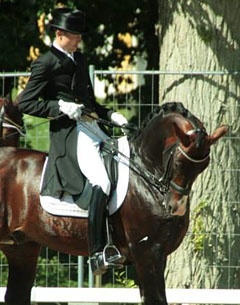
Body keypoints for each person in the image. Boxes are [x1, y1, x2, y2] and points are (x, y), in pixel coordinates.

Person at [18, 7, 127, 275]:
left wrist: (110, 114)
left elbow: (88, 101)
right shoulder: (46, 63)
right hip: (69, 135)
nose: (79, 40)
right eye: (75, 35)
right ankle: (98, 253)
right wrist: (59, 107)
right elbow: (26, 102)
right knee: (101, 180)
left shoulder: (79, 58)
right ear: (60, 34)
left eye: (79, 35)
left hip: (92, 128)